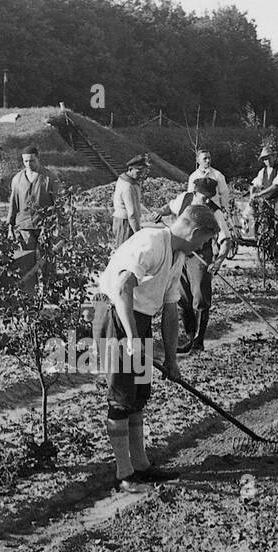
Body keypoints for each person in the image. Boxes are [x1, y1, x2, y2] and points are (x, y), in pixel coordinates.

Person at [93, 205, 220, 493]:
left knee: (139, 395)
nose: (201, 248)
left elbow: (170, 310)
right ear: (194, 232)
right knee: (121, 397)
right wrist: (132, 337)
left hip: (138, 318)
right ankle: (124, 475)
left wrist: (172, 360)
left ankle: (141, 466)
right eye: (202, 242)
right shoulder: (151, 242)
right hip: (116, 314)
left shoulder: (177, 256)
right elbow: (124, 286)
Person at [150, 176, 230, 352]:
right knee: (182, 298)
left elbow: (225, 240)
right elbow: (168, 208)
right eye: (204, 197)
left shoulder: (214, 212)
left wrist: (218, 261)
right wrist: (159, 213)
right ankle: (189, 338)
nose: (208, 200)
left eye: (210, 197)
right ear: (195, 193)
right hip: (180, 253)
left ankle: (199, 342)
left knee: (200, 298)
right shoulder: (184, 199)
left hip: (201, 256)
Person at [7, 146, 59, 288]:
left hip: (44, 226)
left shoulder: (49, 178)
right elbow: (13, 203)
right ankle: (29, 291)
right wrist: (10, 226)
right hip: (24, 226)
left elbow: (58, 203)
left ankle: (50, 289)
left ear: (38, 158)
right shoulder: (17, 179)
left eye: (32, 161)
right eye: (25, 161)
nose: (29, 164)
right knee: (26, 260)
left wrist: (57, 225)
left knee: (48, 259)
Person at [250, 146, 278, 261]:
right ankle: (268, 248)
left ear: (274, 156)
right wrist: (252, 192)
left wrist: (260, 193)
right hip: (267, 201)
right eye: (265, 159)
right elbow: (255, 183)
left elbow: (276, 185)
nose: (267, 161)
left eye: (269, 158)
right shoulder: (263, 171)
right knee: (265, 224)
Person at [112, 155, 147, 248]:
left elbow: (136, 202)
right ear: (130, 169)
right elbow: (131, 213)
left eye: (143, 172)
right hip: (125, 223)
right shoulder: (128, 186)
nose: (141, 175)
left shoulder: (126, 179)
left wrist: (149, 213)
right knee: (125, 252)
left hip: (124, 221)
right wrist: (138, 232)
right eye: (138, 172)